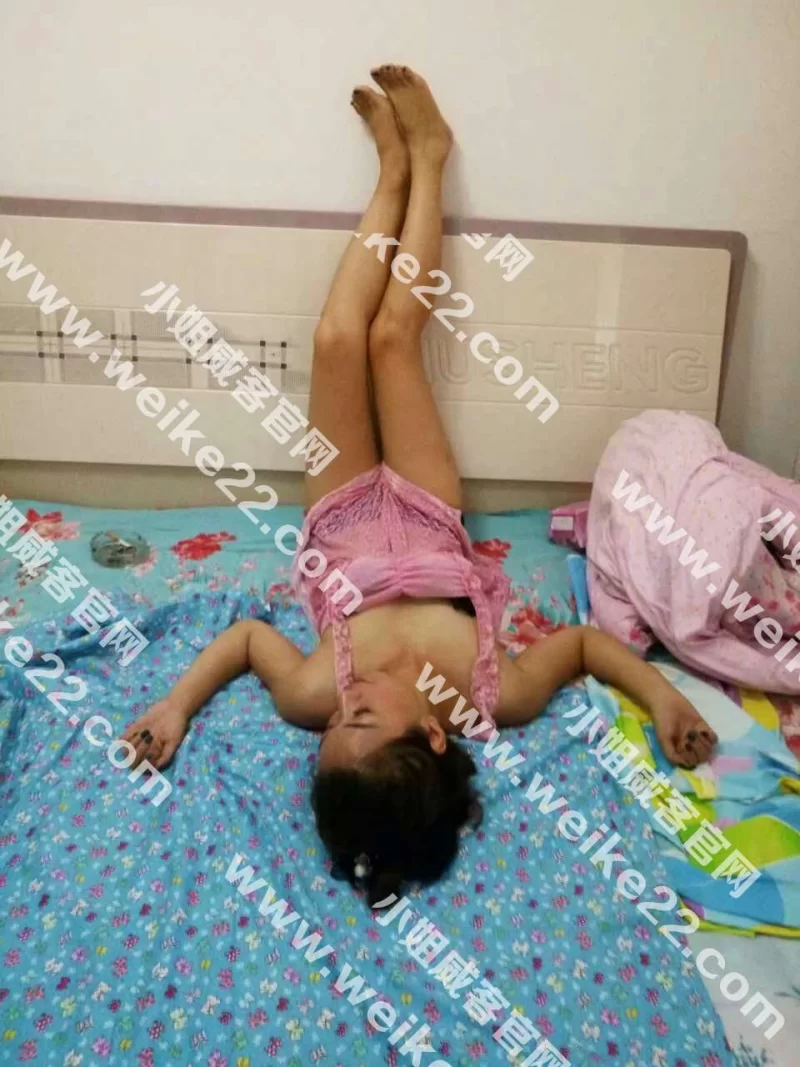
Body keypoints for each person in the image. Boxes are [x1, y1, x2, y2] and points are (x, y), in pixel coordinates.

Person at [120, 65, 717, 906]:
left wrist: (176, 705)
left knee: (336, 340)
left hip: (343, 520)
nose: (343, 706)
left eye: (332, 726)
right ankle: (427, 158)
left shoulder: (312, 692)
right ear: (435, 734)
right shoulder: (493, 694)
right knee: (393, 338)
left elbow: (249, 638)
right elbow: (584, 649)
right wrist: (660, 697)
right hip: (427, 519)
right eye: (361, 718)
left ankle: (389, 177)